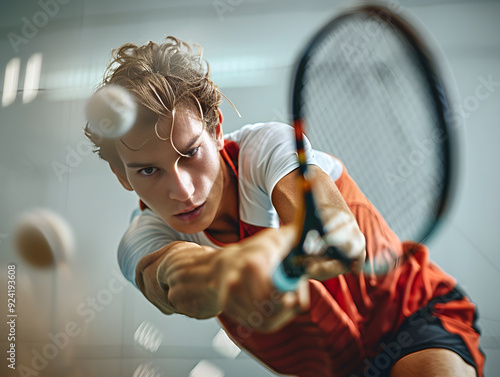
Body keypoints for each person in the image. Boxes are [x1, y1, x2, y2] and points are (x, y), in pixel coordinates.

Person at [85, 36, 485, 377]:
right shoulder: (142, 238)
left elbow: (336, 233)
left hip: (414, 314)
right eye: (149, 170)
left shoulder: (265, 149)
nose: (182, 189)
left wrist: (269, 256)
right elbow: (171, 280)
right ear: (123, 177)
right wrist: (220, 272)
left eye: (190, 153)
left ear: (217, 130)